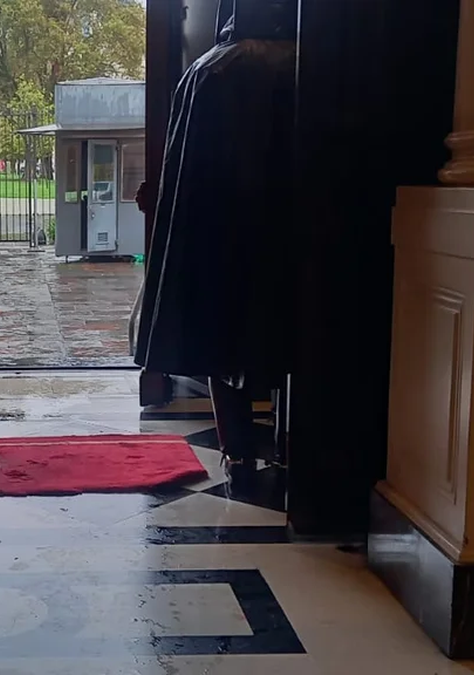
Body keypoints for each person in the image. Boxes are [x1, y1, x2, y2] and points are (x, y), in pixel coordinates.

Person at [134, 0, 297, 483]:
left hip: (222, 238)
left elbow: (189, 179)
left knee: (220, 337)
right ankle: (292, 446)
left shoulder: (210, 73)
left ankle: (237, 451)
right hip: (297, 241)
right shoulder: (311, 65)